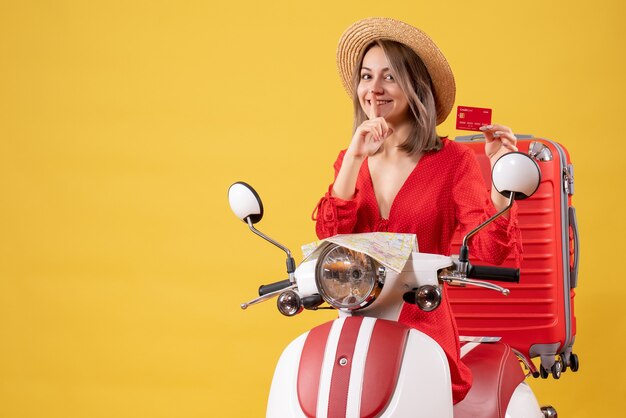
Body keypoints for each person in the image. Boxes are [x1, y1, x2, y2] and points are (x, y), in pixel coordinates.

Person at [312, 17, 522, 404]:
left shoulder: (453, 160)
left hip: (421, 326)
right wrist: (354, 158)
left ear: (415, 87)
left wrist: (501, 179)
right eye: (366, 76)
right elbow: (329, 239)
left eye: (389, 77)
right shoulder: (350, 158)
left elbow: (488, 251)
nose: (374, 89)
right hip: (356, 329)